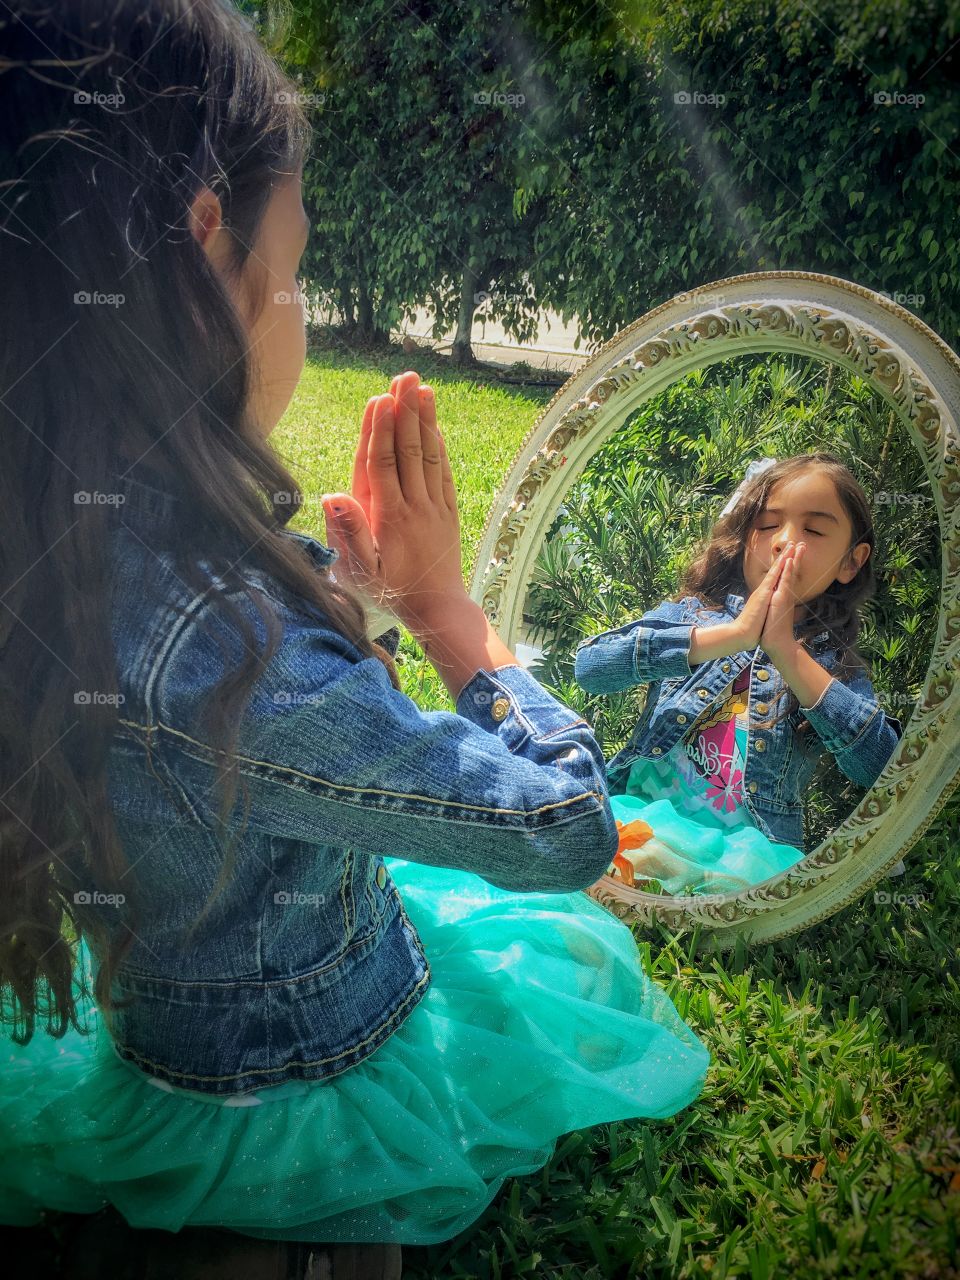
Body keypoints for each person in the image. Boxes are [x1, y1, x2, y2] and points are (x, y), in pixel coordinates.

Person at [0, 0, 710, 1252]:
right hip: (300, 1082)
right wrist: (446, 614)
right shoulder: (239, 655)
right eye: (299, 271)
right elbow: (562, 830)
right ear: (205, 248)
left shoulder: (66, 530)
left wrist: (342, 584)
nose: (303, 311)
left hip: (169, 1024)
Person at [574, 453, 904, 897]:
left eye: (814, 529)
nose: (785, 541)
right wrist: (734, 635)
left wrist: (786, 651)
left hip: (746, 856)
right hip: (643, 818)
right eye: (767, 525)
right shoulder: (694, 616)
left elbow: (882, 767)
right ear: (744, 538)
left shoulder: (831, 665)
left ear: (851, 562)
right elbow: (591, 668)